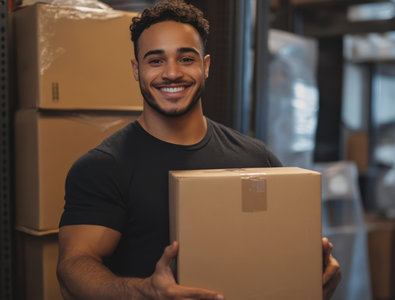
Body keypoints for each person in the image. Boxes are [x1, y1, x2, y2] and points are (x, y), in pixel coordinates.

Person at [56, 0, 341, 299]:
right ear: (136, 70)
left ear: (205, 66)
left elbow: (287, 250)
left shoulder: (257, 159)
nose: (172, 73)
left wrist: (318, 270)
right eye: (155, 61)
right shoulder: (103, 168)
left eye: (186, 59)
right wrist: (144, 291)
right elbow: (73, 265)